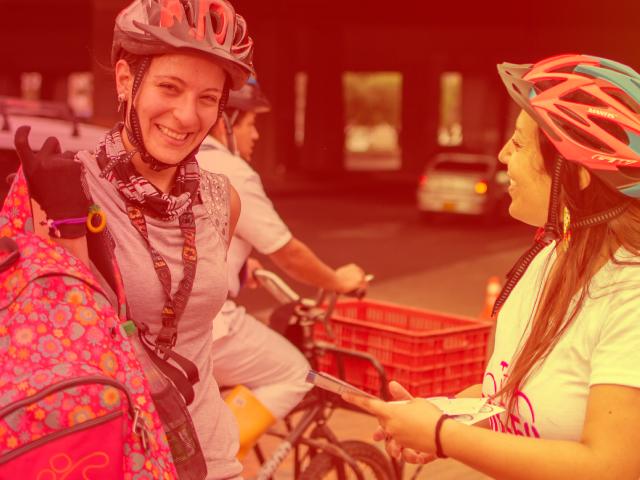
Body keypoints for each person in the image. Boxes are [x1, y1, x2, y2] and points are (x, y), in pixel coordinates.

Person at [344, 53, 640, 479]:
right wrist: (441, 417)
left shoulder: (628, 292)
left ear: (574, 176)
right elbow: (514, 400)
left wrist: (446, 436)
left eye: (518, 144)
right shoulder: (549, 259)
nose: (502, 155)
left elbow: (610, 467)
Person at [9, 1, 255, 478]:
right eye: (169, 87)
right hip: (105, 455)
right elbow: (38, 345)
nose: (186, 116)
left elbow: (192, 326)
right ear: (126, 80)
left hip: (208, 456)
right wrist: (65, 232)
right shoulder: (62, 190)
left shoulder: (222, 200)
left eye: (208, 98)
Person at [197, 76, 367, 454]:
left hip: (163, 325)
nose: (255, 135)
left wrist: (241, 266)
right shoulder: (231, 171)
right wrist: (338, 281)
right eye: (251, 124)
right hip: (207, 326)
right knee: (295, 373)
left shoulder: (182, 159)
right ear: (226, 122)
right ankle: (215, 458)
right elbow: (287, 252)